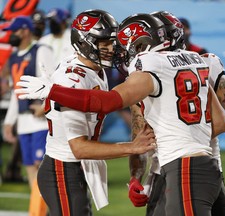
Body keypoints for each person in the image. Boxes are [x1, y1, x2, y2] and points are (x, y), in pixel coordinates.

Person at [16, 13, 225, 216]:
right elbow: (220, 124)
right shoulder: (199, 61)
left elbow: (109, 104)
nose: (117, 50)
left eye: (126, 44)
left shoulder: (147, 69)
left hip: (181, 168)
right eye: (107, 44)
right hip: (204, 167)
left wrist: (53, 92)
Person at [19, 10, 155, 216]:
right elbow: (79, 148)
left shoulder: (93, 69)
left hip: (72, 168)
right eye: (104, 43)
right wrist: (132, 147)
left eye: (112, 42)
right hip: (63, 169)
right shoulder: (74, 79)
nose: (111, 49)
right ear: (84, 43)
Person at [128, 11, 225, 216]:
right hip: (193, 167)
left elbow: (140, 135)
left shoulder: (153, 69)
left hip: (185, 167)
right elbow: (140, 135)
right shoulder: (202, 62)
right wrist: (135, 178)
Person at [2, 16, 55, 188]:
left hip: (41, 122)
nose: (11, 35)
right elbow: (16, 92)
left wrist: (45, 106)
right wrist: (10, 122)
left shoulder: (41, 51)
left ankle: (50, 209)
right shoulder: (14, 57)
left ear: (25, 31)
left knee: (43, 168)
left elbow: (54, 83)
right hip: (24, 122)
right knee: (31, 168)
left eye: (14, 31)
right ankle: (38, 211)